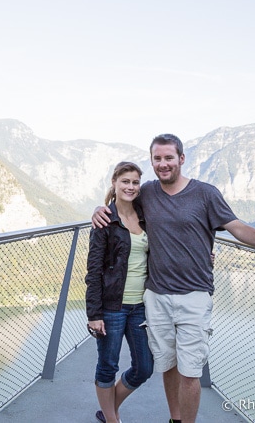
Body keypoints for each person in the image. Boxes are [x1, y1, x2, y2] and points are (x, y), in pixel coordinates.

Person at [92, 134, 255, 423]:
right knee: (167, 365)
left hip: (194, 296)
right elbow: (122, 201)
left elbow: (238, 228)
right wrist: (100, 209)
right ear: (152, 161)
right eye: (157, 159)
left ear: (181, 159)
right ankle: (173, 418)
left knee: (190, 372)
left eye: (168, 158)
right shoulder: (148, 192)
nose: (163, 164)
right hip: (156, 296)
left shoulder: (205, 194)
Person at [86, 161, 154, 423]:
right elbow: (93, 272)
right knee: (108, 365)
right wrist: (94, 313)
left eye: (135, 182)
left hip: (140, 306)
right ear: (114, 183)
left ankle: (108, 409)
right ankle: (112, 419)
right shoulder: (105, 220)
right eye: (125, 181)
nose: (130, 186)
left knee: (144, 368)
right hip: (112, 307)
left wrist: (203, 254)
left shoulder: (146, 216)